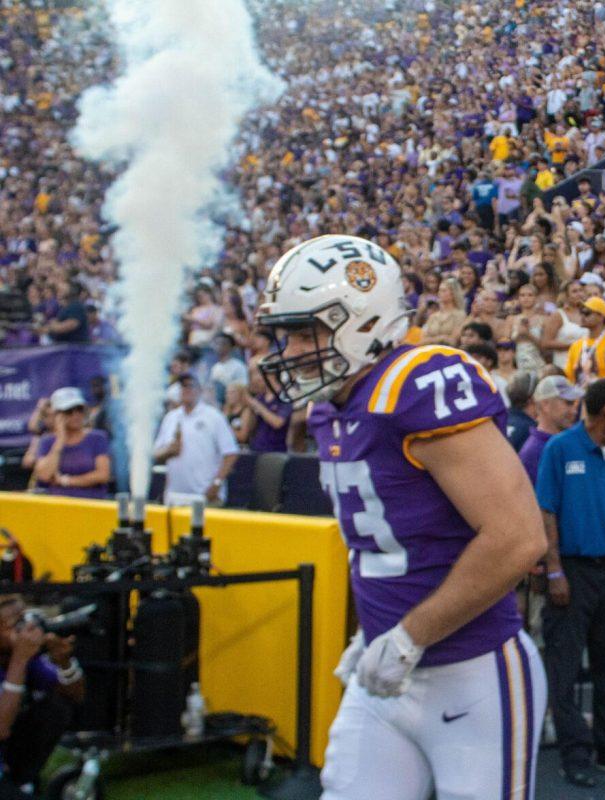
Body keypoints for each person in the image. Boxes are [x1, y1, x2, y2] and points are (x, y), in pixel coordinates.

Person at [256, 235, 548, 799]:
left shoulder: (416, 382)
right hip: (383, 674)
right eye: (284, 334)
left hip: (472, 674)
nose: (289, 351)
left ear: (364, 322)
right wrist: (377, 632)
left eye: (305, 332)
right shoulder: (331, 408)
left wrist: (409, 636)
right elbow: (384, 540)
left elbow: (518, 539)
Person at [536, 379, 605, 787]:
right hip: (572, 570)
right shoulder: (560, 449)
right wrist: (554, 571)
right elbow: (546, 512)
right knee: (565, 668)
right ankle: (574, 755)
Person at [0, 595, 86, 796]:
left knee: (58, 706)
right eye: (15, 623)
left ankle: (21, 780)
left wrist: (64, 662)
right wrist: (20, 659)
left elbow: (76, 695)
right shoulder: (21, 656)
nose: (25, 628)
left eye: (26, 618)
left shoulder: (28, 658)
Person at [152, 373, 239, 506]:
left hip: (205, 495)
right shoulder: (171, 418)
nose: (185, 390)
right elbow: (157, 453)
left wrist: (216, 484)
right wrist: (168, 450)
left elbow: (230, 453)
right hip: (175, 496)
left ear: (200, 390)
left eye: (190, 386)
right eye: (182, 386)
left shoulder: (213, 417)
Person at [31, 387, 111, 498]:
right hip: (58, 506)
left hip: (92, 504)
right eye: (68, 411)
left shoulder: (97, 438)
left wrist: (66, 480)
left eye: (79, 409)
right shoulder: (47, 441)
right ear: (57, 415)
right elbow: (44, 475)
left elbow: (103, 475)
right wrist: (60, 440)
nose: (75, 415)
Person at [519, 375, 583, 484]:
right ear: (545, 405)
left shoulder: (571, 442)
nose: (574, 411)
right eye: (568, 403)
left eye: (574, 404)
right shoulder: (533, 453)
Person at [563, 297, 605, 385]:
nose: (583, 316)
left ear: (601, 317)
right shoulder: (576, 345)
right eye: (581, 313)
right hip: (578, 395)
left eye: (587, 313)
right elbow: (569, 376)